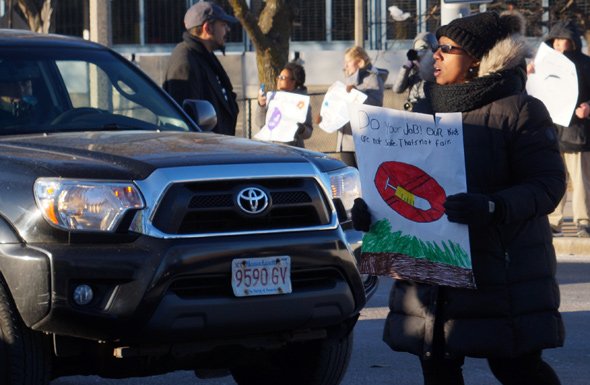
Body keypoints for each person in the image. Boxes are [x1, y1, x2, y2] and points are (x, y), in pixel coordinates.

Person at [352, 11, 565, 385]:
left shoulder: (519, 110)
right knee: (438, 368)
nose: (434, 55)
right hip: (432, 276)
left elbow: (547, 185)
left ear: (477, 60)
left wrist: (493, 206)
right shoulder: (422, 109)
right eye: (436, 48)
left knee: (516, 368)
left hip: (501, 272)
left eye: (446, 49)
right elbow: (406, 185)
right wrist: (376, 211)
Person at [532, 20, 590, 238]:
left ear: (572, 41)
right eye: (555, 40)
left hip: (578, 133)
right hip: (552, 131)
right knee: (555, 178)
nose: (558, 44)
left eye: (562, 39)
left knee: (582, 181)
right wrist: (529, 73)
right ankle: (554, 220)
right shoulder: (544, 65)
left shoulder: (585, 64)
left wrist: (588, 107)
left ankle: (583, 221)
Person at [163, 1, 239, 136]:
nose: (227, 30)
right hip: (203, 151)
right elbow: (186, 123)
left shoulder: (204, 57)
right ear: (207, 28)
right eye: (223, 25)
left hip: (217, 148)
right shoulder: (185, 61)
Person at [336, 46, 386, 164]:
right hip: (345, 138)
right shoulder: (348, 79)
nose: (345, 66)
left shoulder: (372, 77)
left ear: (359, 62)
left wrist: (356, 93)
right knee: (349, 175)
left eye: (348, 62)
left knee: (362, 176)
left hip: (362, 138)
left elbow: (376, 103)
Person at [254, 62, 313, 148]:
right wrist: (261, 105)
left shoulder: (302, 103)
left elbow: (308, 133)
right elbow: (259, 123)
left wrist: (301, 129)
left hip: (292, 152)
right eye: (279, 77)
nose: (278, 80)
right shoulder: (273, 98)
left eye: (283, 78)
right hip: (269, 149)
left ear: (294, 82)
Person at [393, 32, 437, 111]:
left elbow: (430, 80)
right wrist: (406, 67)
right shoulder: (412, 70)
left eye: (424, 48)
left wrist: (422, 66)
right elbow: (397, 89)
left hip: (427, 111)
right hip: (411, 110)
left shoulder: (437, 69)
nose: (420, 53)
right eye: (417, 49)